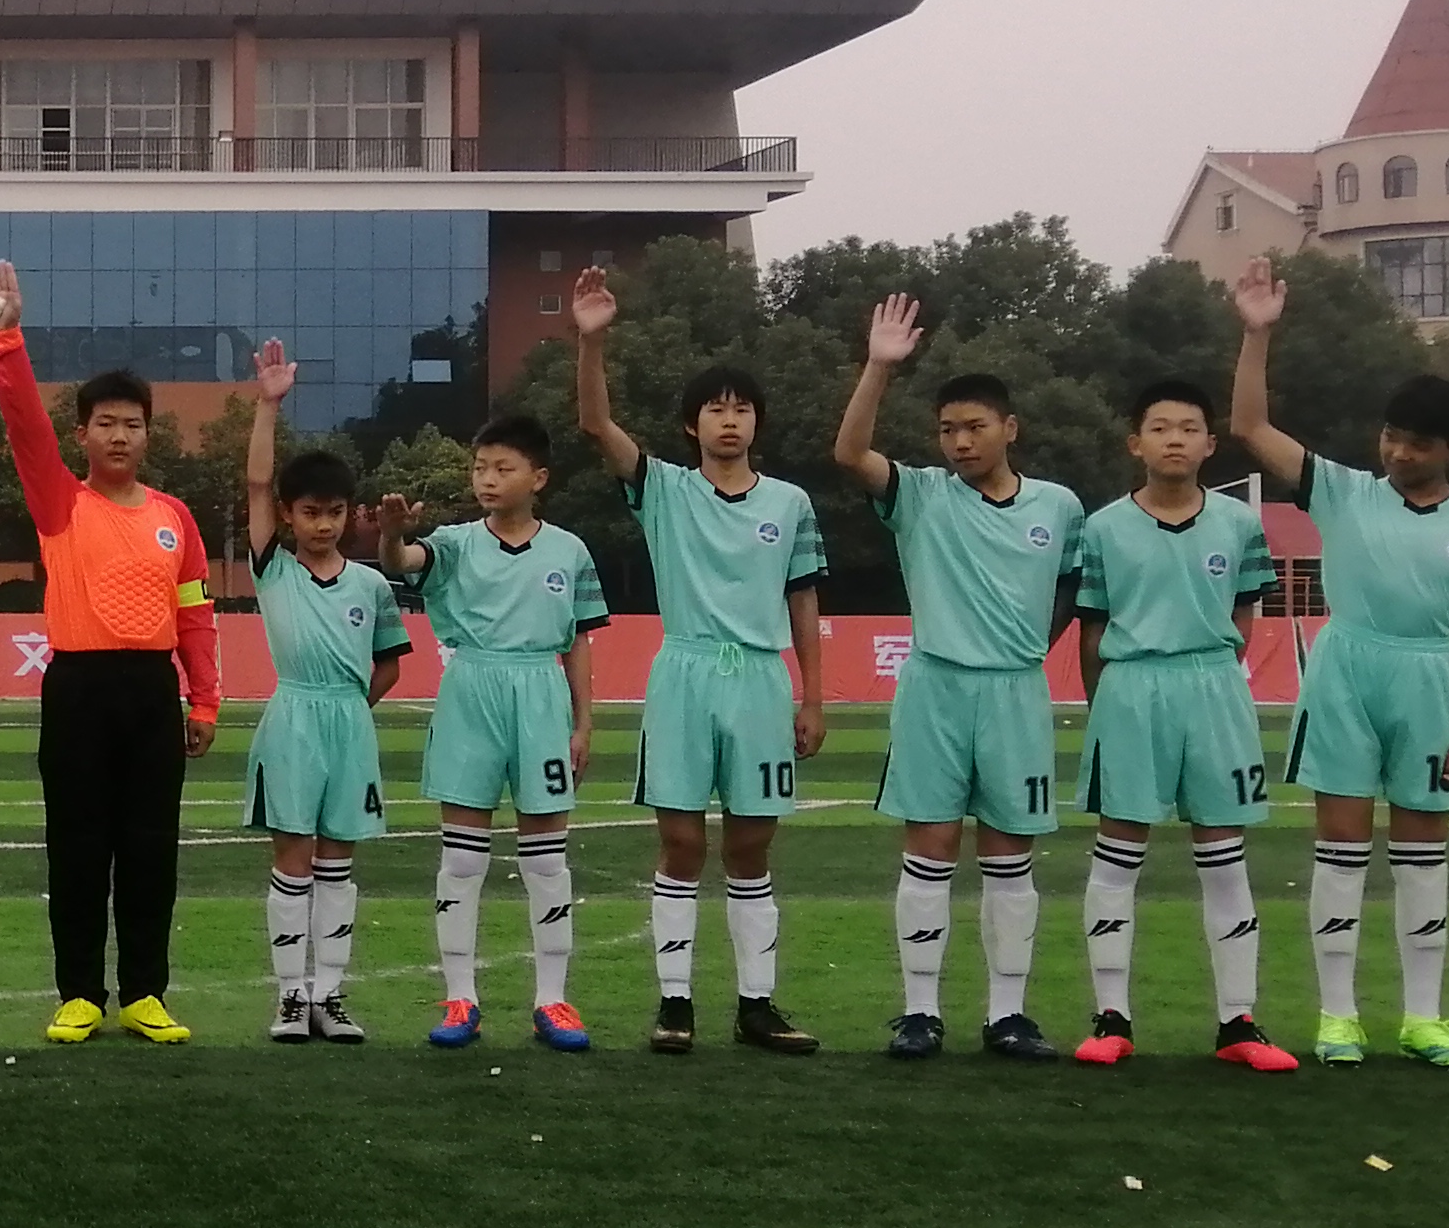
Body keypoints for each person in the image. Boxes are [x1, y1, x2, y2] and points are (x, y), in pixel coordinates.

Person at [1224, 264, 1449, 1067]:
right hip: (1346, 673)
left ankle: (1423, 1018)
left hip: (1431, 678)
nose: (1397, 452)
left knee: (1423, 857)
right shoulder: (1344, 491)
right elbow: (1248, 424)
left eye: (1417, 443)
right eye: (1391, 435)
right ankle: (1338, 1017)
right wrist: (1257, 332)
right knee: (1341, 850)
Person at [570, 268, 828, 1053]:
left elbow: (803, 601)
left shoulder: (789, 504)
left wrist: (813, 697)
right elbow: (595, 424)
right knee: (681, 844)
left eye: (742, 408)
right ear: (692, 425)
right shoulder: (666, 489)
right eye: (715, 409)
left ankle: (757, 1005)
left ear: (758, 422)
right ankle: (675, 1003)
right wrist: (592, 341)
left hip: (759, 677)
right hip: (683, 673)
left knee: (751, 846)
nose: (730, 420)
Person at [828, 298, 1094, 1060]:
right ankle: (920, 1012)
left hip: (1014, 691)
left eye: (975, 427)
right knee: (931, 846)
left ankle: (1007, 1015)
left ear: (1011, 428)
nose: (960, 441)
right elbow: (849, 453)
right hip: (935, 688)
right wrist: (879, 365)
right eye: (947, 430)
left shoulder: (1058, 506)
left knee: (1010, 855)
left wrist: (1026, 647)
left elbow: (1074, 588)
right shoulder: (920, 495)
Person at [0, 261, 220, 1045]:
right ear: (82, 433)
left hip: (152, 693)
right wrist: (8, 339)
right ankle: (80, 993)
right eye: (106, 424)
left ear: (150, 434)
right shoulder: (60, 502)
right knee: (78, 849)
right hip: (79, 691)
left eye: (133, 424)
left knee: (151, 850)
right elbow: (24, 425)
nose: (120, 436)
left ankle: (145, 993)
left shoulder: (175, 518)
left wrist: (204, 698)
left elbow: (196, 618)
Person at [1068, 380, 1298, 1071]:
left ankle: (1238, 1022)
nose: (1175, 438)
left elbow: (1244, 613)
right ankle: (1112, 1017)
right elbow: (1092, 628)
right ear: (1135, 444)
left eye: (1189, 427)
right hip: (1130, 687)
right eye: (1160, 427)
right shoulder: (1104, 527)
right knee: (1118, 854)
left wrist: (1214, 670)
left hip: (1213, 685)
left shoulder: (1239, 525)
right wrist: (1105, 706)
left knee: (1224, 856)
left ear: (1210, 444)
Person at [372, 414, 601, 1049]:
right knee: (462, 859)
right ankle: (460, 1000)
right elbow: (403, 560)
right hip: (470, 691)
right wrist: (391, 534)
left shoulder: (570, 551)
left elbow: (580, 642)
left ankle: (553, 1001)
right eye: (480, 468)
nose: (488, 479)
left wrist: (583, 723)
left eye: (503, 468)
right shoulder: (453, 543)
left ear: (539, 477)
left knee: (547, 860)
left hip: (540, 693)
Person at [237, 341, 408, 1042]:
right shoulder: (274, 569)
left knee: (339, 862)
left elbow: (390, 666)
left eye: (335, 511)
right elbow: (255, 485)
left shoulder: (371, 584)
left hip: (348, 725)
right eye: (310, 512)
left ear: (349, 513)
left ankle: (330, 996)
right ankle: (289, 997)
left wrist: (351, 710)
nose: (323, 523)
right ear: (288, 515)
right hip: (293, 720)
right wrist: (268, 405)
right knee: (293, 859)